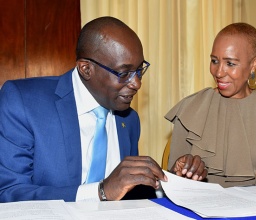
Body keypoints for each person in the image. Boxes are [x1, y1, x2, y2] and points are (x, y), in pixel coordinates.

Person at [0, 16, 167, 202]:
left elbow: (128, 195)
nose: (136, 83)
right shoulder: (23, 102)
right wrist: (101, 192)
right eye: (124, 73)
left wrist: (170, 183)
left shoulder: (129, 120)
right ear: (86, 69)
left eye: (139, 70)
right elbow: (9, 193)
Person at [165, 22, 256, 192]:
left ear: (253, 64)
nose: (219, 72)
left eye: (230, 63)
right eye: (214, 61)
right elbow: (172, 178)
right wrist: (181, 169)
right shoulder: (191, 108)